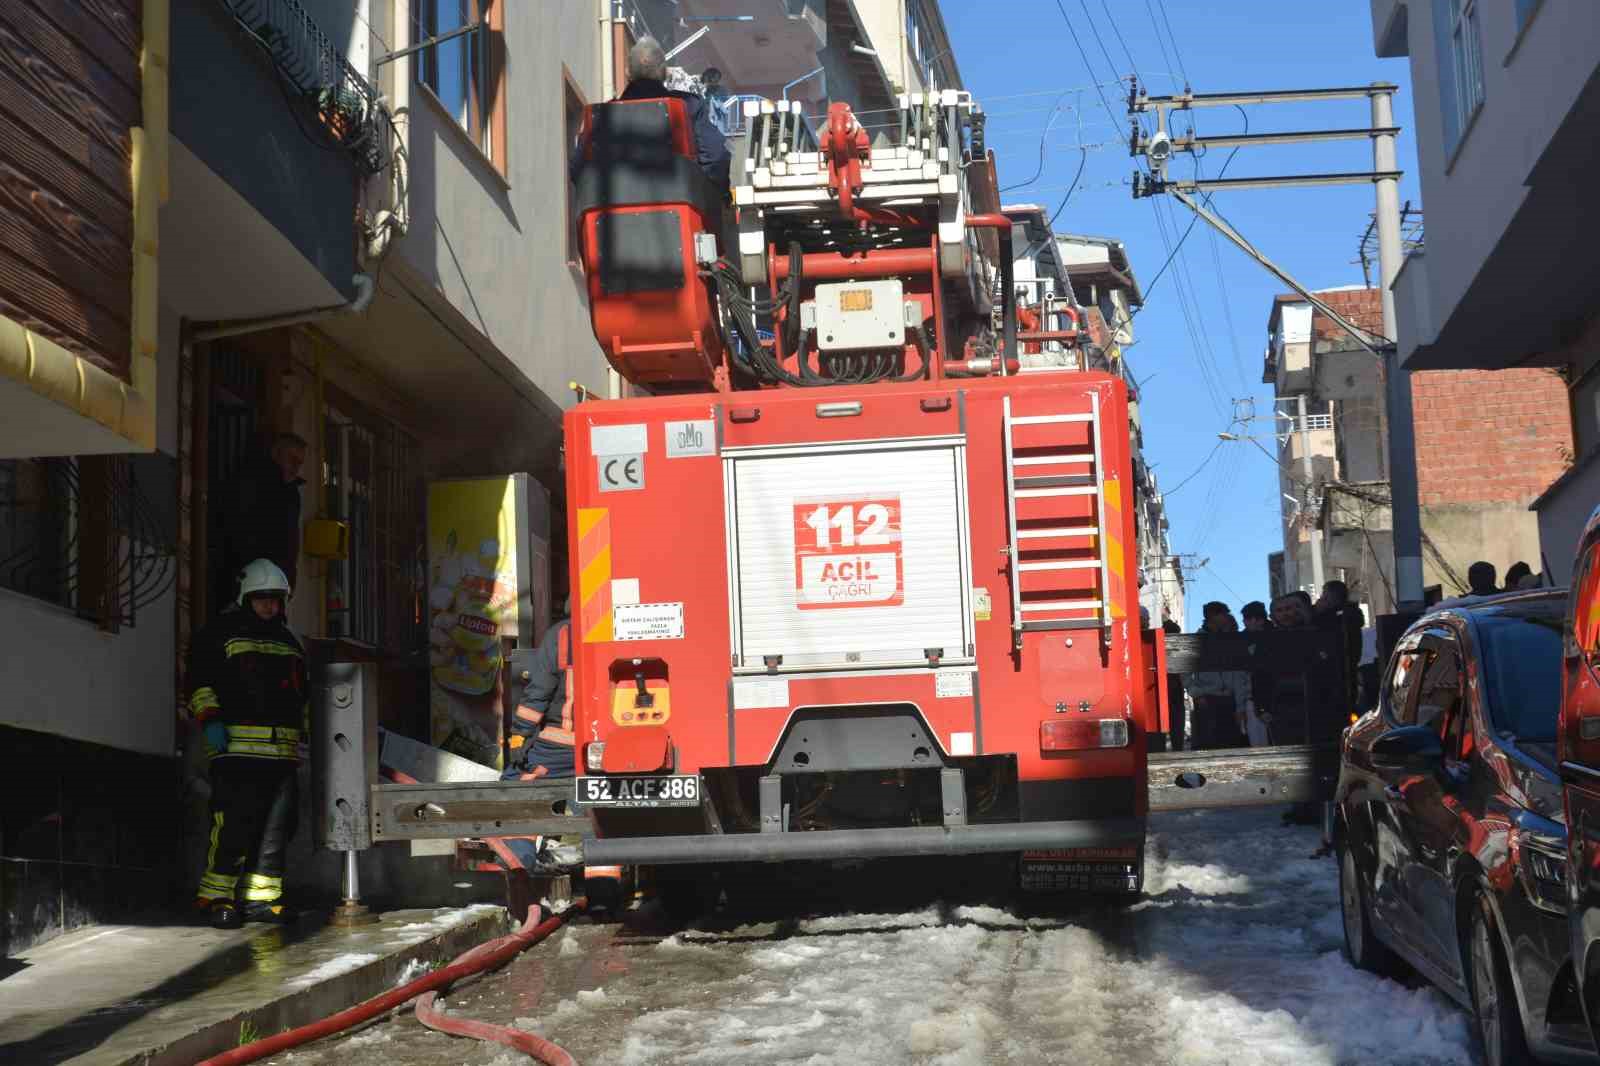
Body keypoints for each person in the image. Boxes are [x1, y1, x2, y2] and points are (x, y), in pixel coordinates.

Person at [186, 559, 308, 928]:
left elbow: (300, 695)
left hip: (282, 754)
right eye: (262, 599)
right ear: (245, 598)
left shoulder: (290, 641)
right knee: (233, 825)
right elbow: (199, 681)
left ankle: (262, 900)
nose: (270, 606)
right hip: (236, 750)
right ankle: (216, 897)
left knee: (277, 828)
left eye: (275, 600)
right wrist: (210, 721)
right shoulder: (220, 634)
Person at [499, 608, 577, 874]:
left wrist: (519, 737)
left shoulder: (564, 634)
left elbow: (538, 693)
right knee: (596, 816)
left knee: (518, 793)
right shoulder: (626, 625)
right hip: (609, 751)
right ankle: (604, 888)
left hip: (559, 747)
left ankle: (519, 871)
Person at [615, 37, 731, 190]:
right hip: (681, 203)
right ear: (663, 73)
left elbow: (579, 167)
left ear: (627, 73)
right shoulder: (689, 105)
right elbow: (716, 157)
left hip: (612, 206)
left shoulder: (602, 116)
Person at [221, 432, 307, 591]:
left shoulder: (291, 494)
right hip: (250, 578)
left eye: (299, 463)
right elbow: (239, 530)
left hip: (277, 580)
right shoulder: (251, 483)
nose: (296, 468)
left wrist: (289, 576)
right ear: (276, 454)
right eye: (292, 460)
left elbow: (291, 539)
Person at [1184, 603, 1252, 750]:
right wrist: (1198, 693)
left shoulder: (1230, 640)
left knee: (1233, 744)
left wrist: (1240, 704)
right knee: (1209, 744)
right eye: (1224, 613)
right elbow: (1185, 672)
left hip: (1231, 699)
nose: (1227, 616)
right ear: (1212, 617)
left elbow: (1240, 673)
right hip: (1207, 699)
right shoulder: (1197, 641)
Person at [1239, 601, 1274, 745]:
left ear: (1257, 620)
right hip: (1251, 698)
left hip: (1269, 697)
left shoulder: (1274, 636)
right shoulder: (1242, 639)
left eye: (1247, 619)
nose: (1245, 623)